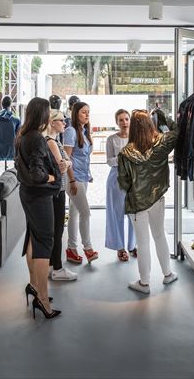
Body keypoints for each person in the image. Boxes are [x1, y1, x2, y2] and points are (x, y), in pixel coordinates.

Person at [118, 109, 179, 294]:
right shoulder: (162, 143)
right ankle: (168, 274)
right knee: (159, 235)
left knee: (143, 242)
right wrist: (162, 116)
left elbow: (123, 182)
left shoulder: (125, 153)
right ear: (150, 124)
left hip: (137, 203)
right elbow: (177, 130)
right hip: (157, 197)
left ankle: (144, 283)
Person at [16, 97, 62, 319]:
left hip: (28, 193)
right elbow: (38, 174)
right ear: (42, 114)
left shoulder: (23, 135)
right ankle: (42, 298)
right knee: (44, 243)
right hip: (39, 196)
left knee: (34, 238)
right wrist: (52, 176)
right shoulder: (36, 138)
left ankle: (34, 286)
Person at [42, 110, 78, 281]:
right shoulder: (51, 142)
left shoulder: (54, 141)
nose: (65, 123)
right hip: (57, 190)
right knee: (57, 229)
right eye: (62, 121)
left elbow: (64, 163)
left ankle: (52, 265)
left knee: (56, 228)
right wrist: (68, 162)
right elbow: (62, 166)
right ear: (52, 122)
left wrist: (67, 162)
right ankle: (57, 268)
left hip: (57, 189)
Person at [63, 101, 98, 264]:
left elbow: (84, 158)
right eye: (84, 112)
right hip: (73, 178)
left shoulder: (84, 131)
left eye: (88, 111)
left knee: (75, 213)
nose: (87, 114)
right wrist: (72, 180)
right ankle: (88, 248)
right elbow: (66, 158)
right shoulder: (70, 131)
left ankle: (71, 249)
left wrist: (88, 175)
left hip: (83, 178)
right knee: (85, 213)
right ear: (76, 113)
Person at [105, 109, 137, 261]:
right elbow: (109, 161)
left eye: (126, 119)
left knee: (134, 213)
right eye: (121, 120)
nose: (124, 122)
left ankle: (133, 245)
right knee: (116, 213)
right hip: (116, 178)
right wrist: (123, 158)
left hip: (134, 178)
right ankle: (119, 247)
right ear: (116, 122)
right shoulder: (111, 139)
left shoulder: (136, 138)